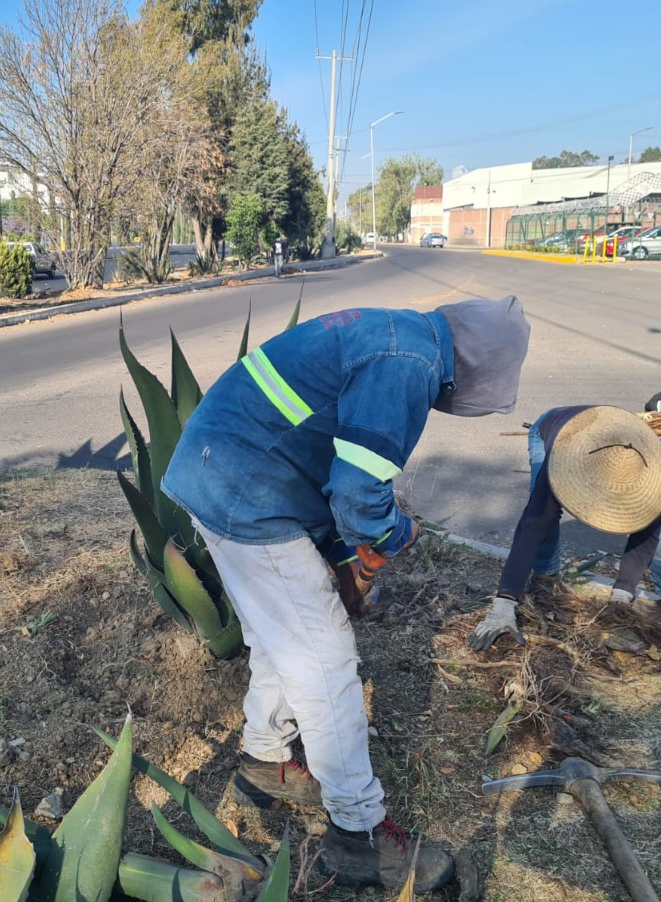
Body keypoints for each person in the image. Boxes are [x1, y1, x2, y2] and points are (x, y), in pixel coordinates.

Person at [162, 299, 530, 893]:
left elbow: (326, 465)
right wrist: (394, 534)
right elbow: (359, 494)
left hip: (218, 472)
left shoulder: (396, 333)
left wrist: (347, 558)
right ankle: (358, 835)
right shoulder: (408, 362)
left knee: (278, 639)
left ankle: (264, 762)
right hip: (248, 492)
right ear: (470, 368)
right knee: (324, 661)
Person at [470, 405, 661, 653]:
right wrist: (504, 605)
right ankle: (546, 576)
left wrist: (623, 591)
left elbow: (647, 536)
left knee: (659, 540)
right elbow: (532, 524)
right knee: (544, 514)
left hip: (615, 440)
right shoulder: (564, 458)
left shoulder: (649, 469)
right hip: (552, 430)